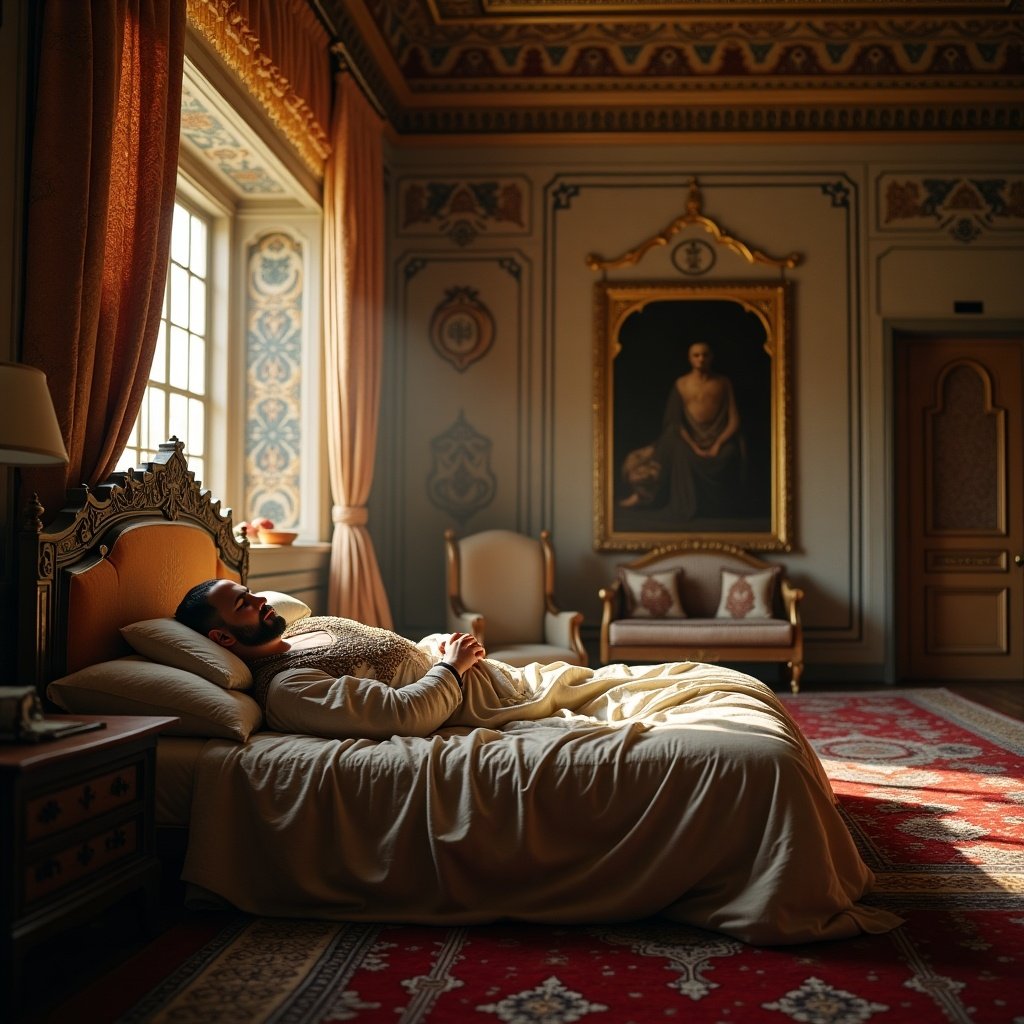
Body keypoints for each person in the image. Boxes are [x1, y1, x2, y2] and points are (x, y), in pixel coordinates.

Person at [620, 340, 745, 519]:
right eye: (696, 355)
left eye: (705, 355)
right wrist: (695, 447)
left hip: (717, 437)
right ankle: (644, 495)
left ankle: (718, 508)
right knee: (674, 446)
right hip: (689, 439)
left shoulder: (723, 383)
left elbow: (734, 421)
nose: (701, 359)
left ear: (711, 357)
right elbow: (675, 423)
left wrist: (717, 444)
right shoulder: (682, 383)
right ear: (690, 358)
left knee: (730, 452)